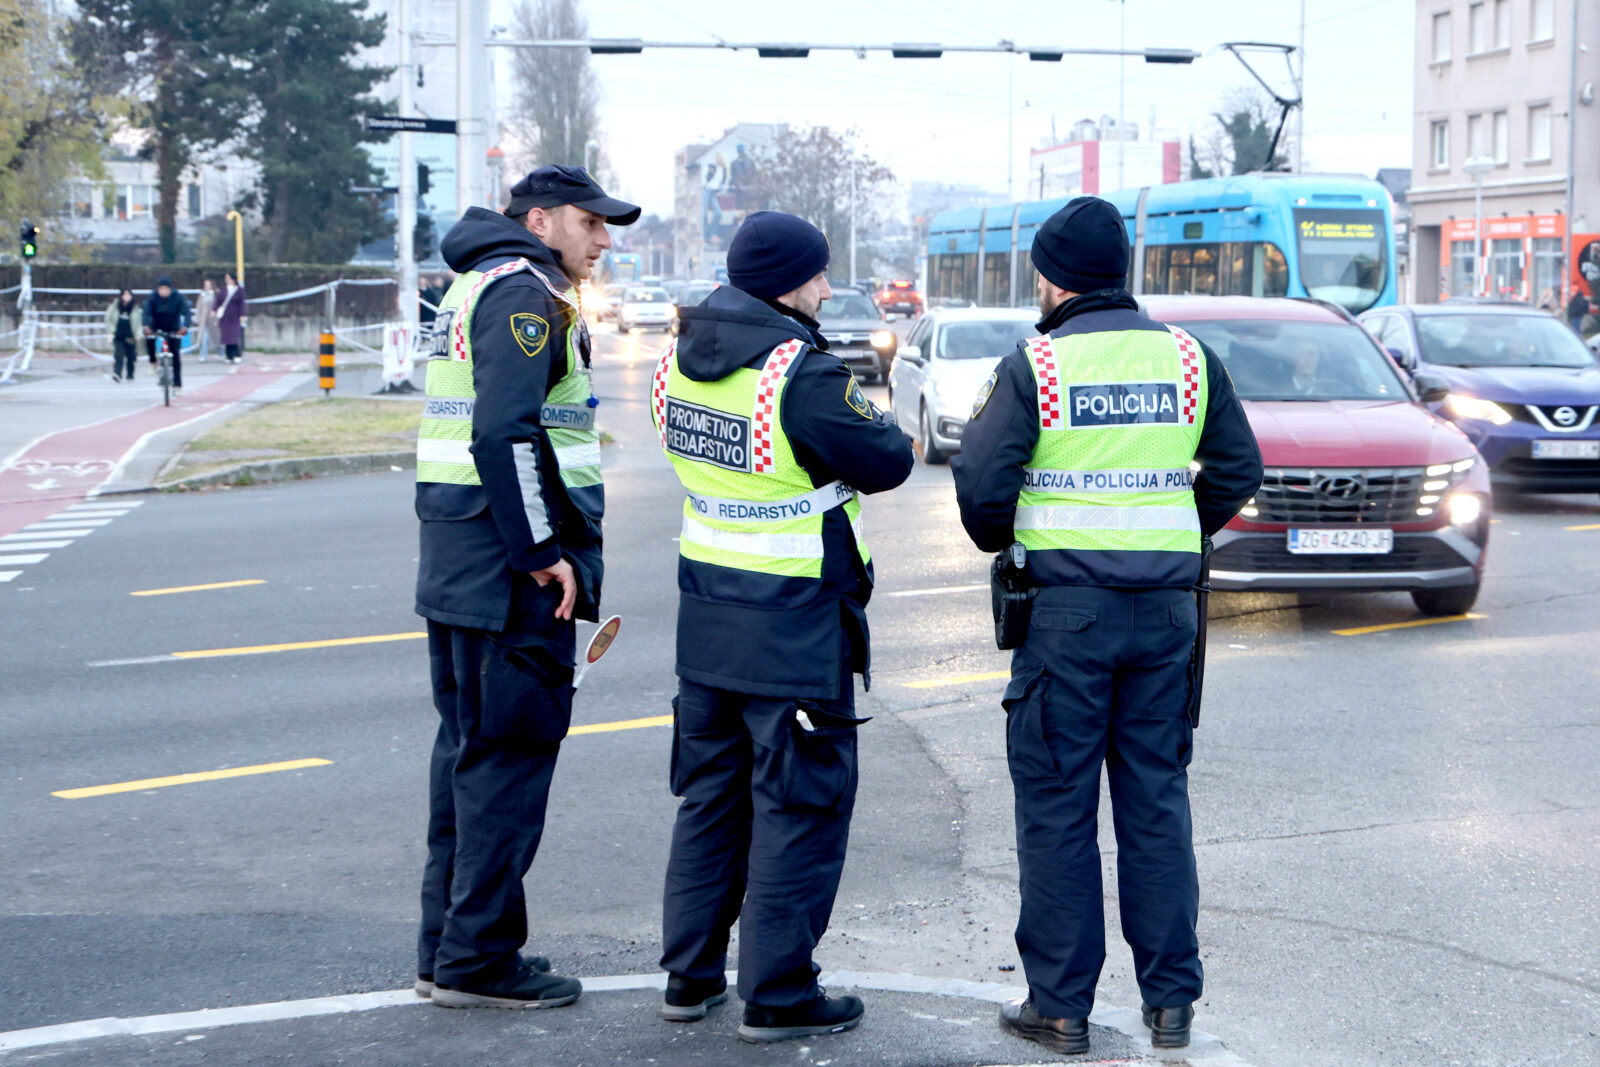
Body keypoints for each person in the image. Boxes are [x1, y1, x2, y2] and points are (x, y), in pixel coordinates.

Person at [950, 197, 1262, 1056]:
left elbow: (981, 494)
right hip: (1165, 613)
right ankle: (1171, 1004)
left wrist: (1017, 538)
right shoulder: (1189, 359)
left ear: (1051, 279)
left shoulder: (1036, 366)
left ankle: (1060, 1007)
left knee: (1057, 807)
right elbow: (1238, 466)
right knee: (1155, 801)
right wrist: (1175, 529)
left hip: (1066, 617)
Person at [652, 211, 915, 1043]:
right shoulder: (798, 373)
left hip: (707, 618)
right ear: (783, 284)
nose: (828, 290)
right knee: (797, 806)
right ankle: (778, 991)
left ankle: (690, 975)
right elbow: (889, 458)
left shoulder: (675, 360)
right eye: (818, 275)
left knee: (710, 799)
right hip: (795, 624)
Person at [413, 165, 639, 1010]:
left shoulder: (478, 282)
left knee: (468, 760)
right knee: (506, 765)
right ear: (540, 220)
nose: (603, 240)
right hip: (509, 574)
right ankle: (478, 959)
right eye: (591, 222)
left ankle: (446, 949)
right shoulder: (525, 294)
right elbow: (504, 431)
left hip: (459, 558)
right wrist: (545, 551)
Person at [142, 276, 191, 395]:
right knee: (149, 339)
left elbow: (187, 312)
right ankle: (152, 361)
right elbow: (146, 312)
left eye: (166, 289)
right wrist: (146, 326)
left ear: (170, 289)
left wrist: (185, 327)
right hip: (156, 325)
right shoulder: (153, 297)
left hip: (173, 327)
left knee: (176, 356)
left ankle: (177, 385)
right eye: (161, 289)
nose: (163, 292)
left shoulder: (178, 297)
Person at [104, 288, 142, 382]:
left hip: (131, 336)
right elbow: (108, 319)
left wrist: (138, 333)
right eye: (125, 294)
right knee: (119, 355)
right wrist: (112, 330)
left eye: (128, 294)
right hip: (118, 335)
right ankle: (117, 374)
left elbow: (140, 323)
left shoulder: (136, 308)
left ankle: (130, 374)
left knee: (131, 357)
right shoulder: (114, 307)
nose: (127, 297)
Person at [216, 271, 247, 363]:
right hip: (225, 317)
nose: (226, 280)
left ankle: (237, 354)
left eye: (228, 278)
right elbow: (218, 301)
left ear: (233, 279)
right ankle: (229, 355)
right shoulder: (223, 290)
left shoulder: (239, 290)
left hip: (235, 316)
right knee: (226, 336)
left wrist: (242, 315)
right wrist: (214, 310)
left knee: (234, 336)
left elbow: (242, 304)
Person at [193, 278, 218, 361]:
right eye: (205, 284)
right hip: (203, 319)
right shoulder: (202, 294)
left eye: (208, 284)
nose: (206, 286)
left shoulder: (216, 294)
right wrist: (197, 317)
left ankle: (221, 352)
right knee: (204, 337)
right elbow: (199, 306)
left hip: (213, 319)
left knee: (216, 336)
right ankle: (203, 355)